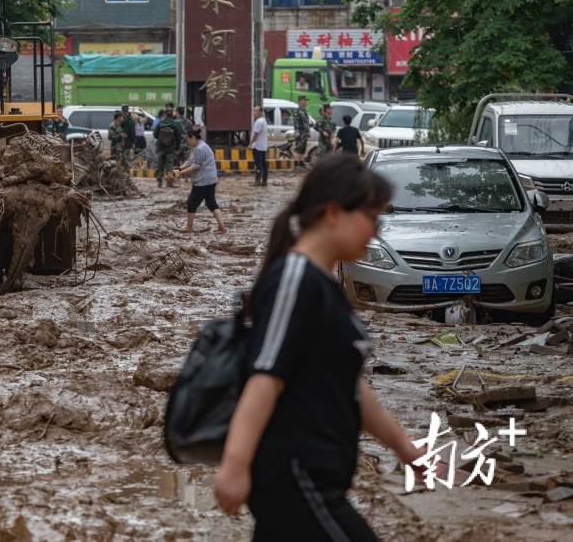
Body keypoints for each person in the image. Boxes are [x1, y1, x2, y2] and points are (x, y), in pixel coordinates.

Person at [214, 155, 445, 540]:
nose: (375, 231)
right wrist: (235, 466)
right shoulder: (294, 279)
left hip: (314, 478)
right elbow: (264, 378)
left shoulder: (322, 285)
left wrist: (406, 450)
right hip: (296, 477)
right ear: (335, 213)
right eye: (372, 218)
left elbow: (349, 385)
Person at [176, 129, 226, 233]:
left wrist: (180, 173)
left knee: (191, 203)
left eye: (188, 140)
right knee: (211, 203)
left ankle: (189, 227)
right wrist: (179, 169)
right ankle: (222, 227)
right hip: (211, 180)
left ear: (193, 138)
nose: (188, 142)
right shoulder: (200, 146)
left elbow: (194, 166)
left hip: (203, 181)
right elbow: (190, 161)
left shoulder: (200, 149)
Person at [154, 110, 183, 188]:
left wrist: (161, 140)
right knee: (169, 165)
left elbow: (155, 135)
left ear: (165, 115)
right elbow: (178, 138)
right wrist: (177, 148)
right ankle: (169, 182)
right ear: (172, 115)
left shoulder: (160, 124)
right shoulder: (175, 124)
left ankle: (159, 182)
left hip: (160, 148)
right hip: (170, 149)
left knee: (160, 165)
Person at [250, 105, 269, 186]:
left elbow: (256, 134)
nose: (254, 112)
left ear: (261, 112)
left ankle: (257, 181)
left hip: (257, 146)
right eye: (254, 110)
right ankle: (264, 181)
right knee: (264, 165)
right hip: (263, 147)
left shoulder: (258, 122)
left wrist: (250, 144)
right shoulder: (264, 121)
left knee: (258, 165)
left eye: (256, 111)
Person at [292, 96, 311, 168]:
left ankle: (301, 162)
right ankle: (296, 163)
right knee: (298, 147)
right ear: (300, 101)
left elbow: (306, 123)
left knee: (303, 147)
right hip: (300, 131)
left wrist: (308, 132)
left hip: (305, 132)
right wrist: (297, 131)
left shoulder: (305, 111)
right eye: (304, 101)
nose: (306, 102)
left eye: (306, 101)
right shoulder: (297, 111)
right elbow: (296, 121)